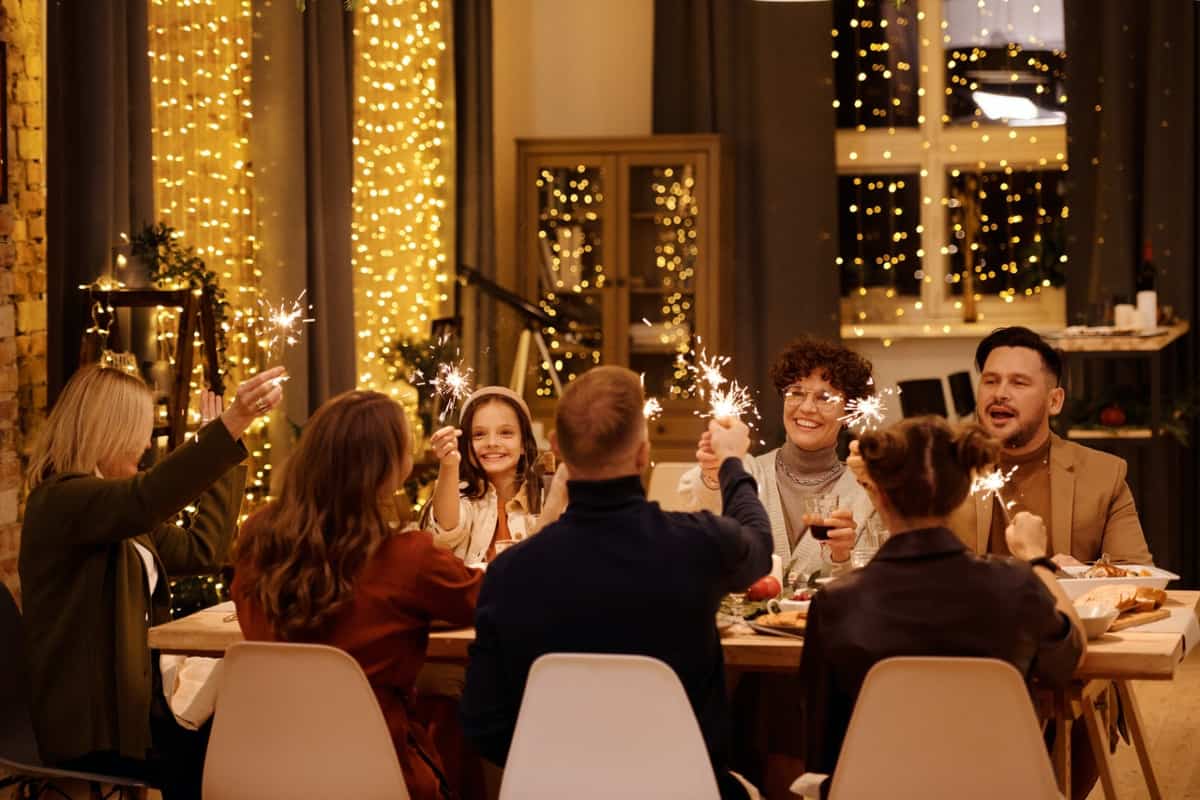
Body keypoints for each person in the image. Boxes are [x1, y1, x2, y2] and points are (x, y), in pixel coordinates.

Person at [460, 366, 773, 799]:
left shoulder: (510, 573)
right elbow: (759, 541)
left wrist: (566, 766)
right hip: (680, 789)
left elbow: (482, 724)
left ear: (558, 449)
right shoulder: (696, 545)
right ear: (643, 454)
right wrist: (732, 464)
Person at [19, 362, 284, 799]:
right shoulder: (63, 500)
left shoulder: (116, 508)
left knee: (244, 732)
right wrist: (226, 427)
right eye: (140, 431)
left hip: (132, 706)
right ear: (108, 432)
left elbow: (203, 549)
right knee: (231, 752)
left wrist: (227, 441)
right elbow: (147, 497)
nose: (146, 444)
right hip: (93, 723)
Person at [801, 417, 1086, 792]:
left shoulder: (836, 603)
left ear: (880, 495)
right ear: (963, 492)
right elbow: (1070, 655)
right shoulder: (1015, 586)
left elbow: (822, 743)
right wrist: (1035, 557)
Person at [233, 390, 483, 800]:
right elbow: (485, 599)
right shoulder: (407, 558)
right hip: (376, 769)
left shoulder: (257, 536)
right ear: (386, 469)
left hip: (267, 767)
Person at [678, 336, 879, 584]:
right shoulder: (747, 470)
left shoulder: (867, 492)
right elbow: (701, 512)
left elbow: (873, 588)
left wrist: (840, 557)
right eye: (796, 393)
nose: (806, 408)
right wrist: (713, 473)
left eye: (824, 398)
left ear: (849, 412)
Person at [953, 326, 1152, 564]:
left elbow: (1135, 576)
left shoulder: (1104, 476)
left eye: (1018, 383)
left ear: (1054, 401)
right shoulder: (945, 470)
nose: (1000, 393)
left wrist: (1079, 576)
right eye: (990, 381)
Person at [424, 386, 566, 565]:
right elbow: (446, 528)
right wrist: (449, 464)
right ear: (465, 444)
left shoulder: (547, 496)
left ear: (523, 443)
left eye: (506, 433)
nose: (492, 443)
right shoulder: (457, 495)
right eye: (479, 434)